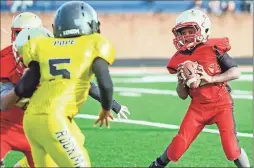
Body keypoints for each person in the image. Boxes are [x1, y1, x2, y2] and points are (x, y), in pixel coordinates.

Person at [1, 10, 129, 168]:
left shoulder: (45, 51)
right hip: (31, 120)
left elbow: (88, 84)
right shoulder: (8, 58)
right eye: (20, 33)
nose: (25, 39)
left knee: (76, 140)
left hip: (34, 121)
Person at [149, 9, 250, 168]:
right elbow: (182, 95)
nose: (186, 35)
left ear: (204, 29)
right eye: (183, 32)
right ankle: (157, 165)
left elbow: (236, 72)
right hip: (198, 107)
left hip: (221, 104)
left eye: (191, 31)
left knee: (231, 149)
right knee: (179, 144)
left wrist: (211, 78)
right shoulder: (179, 58)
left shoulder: (213, 47)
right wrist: (181, 81)